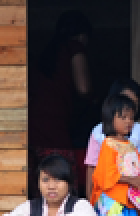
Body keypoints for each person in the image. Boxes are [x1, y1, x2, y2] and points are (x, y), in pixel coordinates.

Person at [29, 11, 93, 194]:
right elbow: (84, 88)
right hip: (55, 128)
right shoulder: (74, 48)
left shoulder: (46, 53)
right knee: (62, 179)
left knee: (38, 182)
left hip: (34, 126)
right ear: (82, 36)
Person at [84, 79, 140, 198]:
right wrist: (89, 199)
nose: (128, 118)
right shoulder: (99, 133)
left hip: (134, 194)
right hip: (109, 195)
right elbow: (92, 168)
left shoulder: (139, 131)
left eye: (133, 105)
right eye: (124, 102)